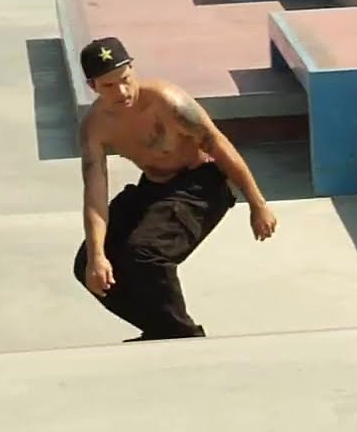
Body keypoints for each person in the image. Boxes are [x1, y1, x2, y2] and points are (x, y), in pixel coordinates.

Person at [71, 35, 278, 341]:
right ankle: (163, 329)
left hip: (201, 184)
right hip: (154, 188)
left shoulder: (167, 102)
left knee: (145, 253)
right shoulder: (95, 127)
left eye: (125, 80)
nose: (122, 92)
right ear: (93, 87)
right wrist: (97, 254)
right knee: (86, 265)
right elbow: (95, 193)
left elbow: (217, 144)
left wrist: (257, 203)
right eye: (109, 86)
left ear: (133, 69)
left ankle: (183, 337)